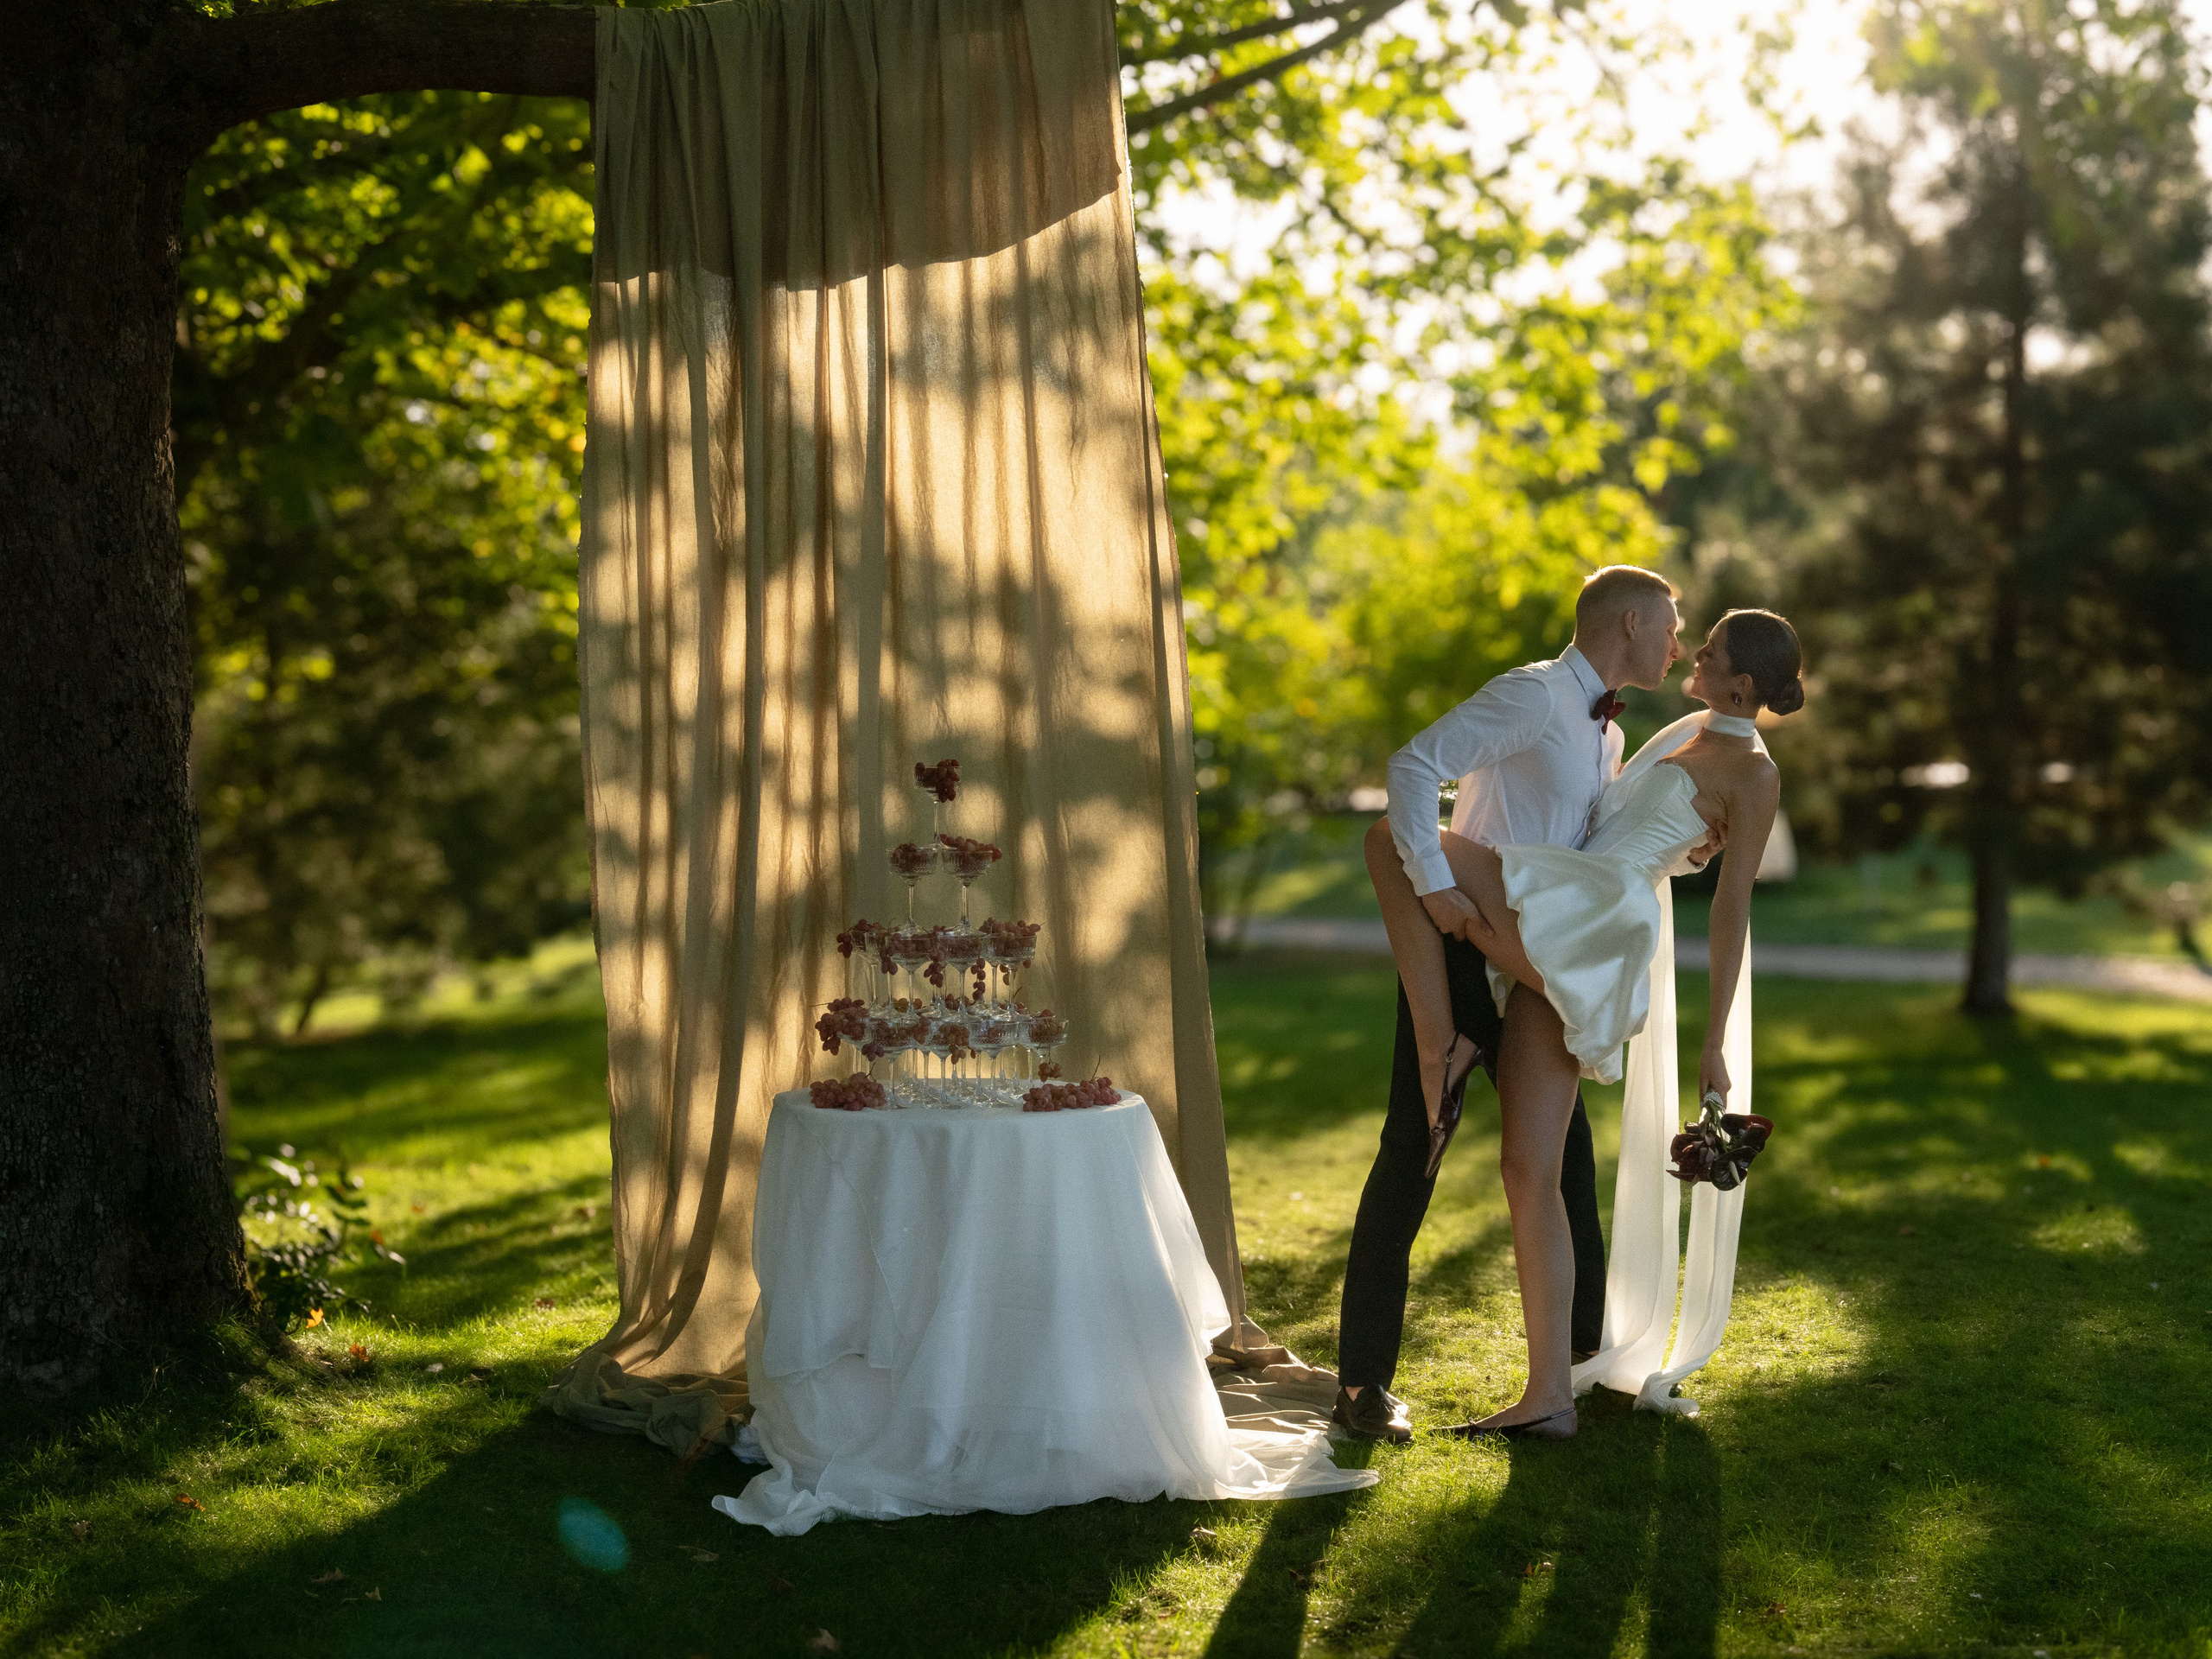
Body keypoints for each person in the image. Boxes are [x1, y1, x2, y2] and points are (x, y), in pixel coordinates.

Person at [1395, 607, 1802, 1443]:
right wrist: (1689, 847)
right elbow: (1623, 816)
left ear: (1745, 683)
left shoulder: (1754, 777)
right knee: (1524, 1168)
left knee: (1390, 840)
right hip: (1571, 897)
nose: (1692, 652)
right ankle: (1549, 1395)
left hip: (1597, 914)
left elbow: (1733, 915)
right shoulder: (1691, 725)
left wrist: (1716, 1040)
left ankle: (1444, 1038)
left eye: (1711, 650)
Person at [1332, 566, 1696, 1445]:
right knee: (1411, 1151)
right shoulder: (1533, 696)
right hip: (1463, 952)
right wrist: (1436, 890)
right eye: (1672, 629)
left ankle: (1580, 1365)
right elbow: (1414, 766)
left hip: (1538, 970)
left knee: (1565, 1163)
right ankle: (1363, 1385)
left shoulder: (1604, 734)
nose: (1678, 647)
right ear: (1632, 621)